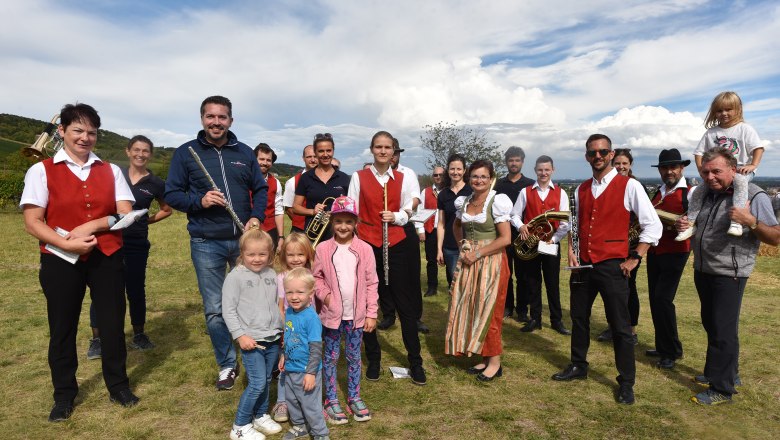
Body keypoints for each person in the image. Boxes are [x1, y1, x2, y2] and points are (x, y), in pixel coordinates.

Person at [20, 103, 139, 421]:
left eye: (92, 132)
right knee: (62, 329)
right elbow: (33, 221)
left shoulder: (111, 170)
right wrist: (65, 242)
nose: (85, 137)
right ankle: (63, 396)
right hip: (60, 260)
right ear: (62, 131)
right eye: (78, 130)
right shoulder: (41, 171)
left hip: (107, 257)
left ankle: (118, 386)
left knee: (113, 326)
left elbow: (126, 215)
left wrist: (94, 225)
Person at [164, 95, 268, 390]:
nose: (216, 122)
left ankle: (257, 356)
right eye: (211, 116)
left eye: (222, 117)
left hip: (242, 240)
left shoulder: (245, 152)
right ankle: (227, 364)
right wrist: (200, 200)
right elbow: (172, 194)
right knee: (214, 307)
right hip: (205, 241)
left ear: (230, 121)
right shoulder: (186, 153)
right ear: (202, 119)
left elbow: (259, 189)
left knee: (251, 301)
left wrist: (256, 218)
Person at [552, 134, 661, 405]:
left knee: (621, 326)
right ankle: (578, 365)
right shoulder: (580, 189)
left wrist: (636, 257)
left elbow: (653, 225)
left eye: (602, 151)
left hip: (613, 265)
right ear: (587, 156)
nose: (597, 156)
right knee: (579, 318)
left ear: (611, 154)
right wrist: (571, 250)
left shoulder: (630, 186)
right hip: (583, 266)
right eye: (592, 153)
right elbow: (575, 226)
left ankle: (626, 382)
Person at [676, 147, 780, 405]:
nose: (710, 177)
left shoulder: (754, 196)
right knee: (713, 324)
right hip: (704, 268)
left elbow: (775, 237)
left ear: (734, 170)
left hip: (730, 272)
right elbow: (699, 224)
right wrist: (685, 224)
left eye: (716, 171)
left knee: (722, 329)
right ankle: (723, 372)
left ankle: (722, 389)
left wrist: (750, 220)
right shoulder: (706, 195)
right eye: (705, 172)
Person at [348, 131, 427, 385]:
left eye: (388, 147)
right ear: (372, 149)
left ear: (394, 151)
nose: (383, 151)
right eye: (378, 147)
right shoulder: (358, 177)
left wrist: (397, 216)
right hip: (369, 243)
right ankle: (373, 359)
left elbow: (412, 204)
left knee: (405, 305)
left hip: (398, 242)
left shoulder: (406, 176)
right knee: (369, 302)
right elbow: (352, 209)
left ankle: (416, 361)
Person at [85, 136, 172, 358]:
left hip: (136, 243)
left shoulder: (156, 183)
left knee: (135, 289)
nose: (140, 154)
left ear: (150, 154)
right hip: (108, 239)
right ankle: (97, 340)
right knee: (102, 289)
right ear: (128, 151)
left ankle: (139, 335)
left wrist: (145, 220)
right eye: (136, 150)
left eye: (145, 151)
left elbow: (166, 209)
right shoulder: (114, 174)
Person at [312, 196, 378, 424]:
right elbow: (316, 277)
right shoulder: (322, 249)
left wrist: (371, 313)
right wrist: (326, 297)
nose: (343, 226)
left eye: (348, 222)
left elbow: (372, 283)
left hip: (356, 317)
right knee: (330, 358)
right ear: (331, 221)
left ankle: (354, 396)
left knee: (353, 357)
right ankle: (330, 399)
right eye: (338, 221)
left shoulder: (365, 250)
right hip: (331, 317)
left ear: (356, 223)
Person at [445, 160, 512, 382]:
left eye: (483, 176)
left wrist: (478, 253)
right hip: (470, 261)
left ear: (491, 178)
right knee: (474, 309)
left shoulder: (497, 201)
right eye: (475, 176)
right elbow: (456, 226)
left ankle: (495, 363)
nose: (478, 180)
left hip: (492, 261)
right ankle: (484, 356)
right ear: (468, 177)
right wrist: (463, 245)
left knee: (490, 311)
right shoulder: (464, 201)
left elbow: (505, 239)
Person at [223, 228, 284, 440]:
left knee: (267, 379)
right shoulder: (235, 277)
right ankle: (239, 426)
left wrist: (282, 329)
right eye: (251, 254)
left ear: (270, 254)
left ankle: (260, 415)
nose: (256, 259)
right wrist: (240, 336)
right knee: (257, 383)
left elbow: (278, 304)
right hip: (251, 340)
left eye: (262, 254)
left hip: (273, 338)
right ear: (242, 253)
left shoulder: (272, 275)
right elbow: (228, 310)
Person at [678, 91, 764, 241]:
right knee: (699, 190)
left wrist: (753, 164)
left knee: (740, 182)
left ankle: (736, 222)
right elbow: (698, 153)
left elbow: (758, 148)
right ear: (714, 112)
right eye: (719, 110)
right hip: (717, 173)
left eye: (728, 109)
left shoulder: (745, 129)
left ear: (738, 109)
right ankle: (691, 223)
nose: (724, 113)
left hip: (741, 169)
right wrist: (701, 170)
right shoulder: (712, 133)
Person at [509, 155, 571, 335]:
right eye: (540, 170)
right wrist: (521, 226)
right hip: (530, 245)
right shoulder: (525, 191)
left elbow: (566, 222)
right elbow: (514, 215)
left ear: (552, 170)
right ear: (535, 171)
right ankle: (535, 319)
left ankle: (556, 320)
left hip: (550, 243)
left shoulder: (561, 192)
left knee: (552, 283)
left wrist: (554, 239)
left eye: (547, 170)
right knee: (532, 282)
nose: (543, 173)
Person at [644, 149, 692, 370]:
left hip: (676, 251)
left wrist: (688, 224)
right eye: (665, 168)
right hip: (655, 251)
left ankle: (672, 351)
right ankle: (663, 346)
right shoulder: (658, 192)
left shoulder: (690, 193)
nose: (669, 171)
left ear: (681, 168)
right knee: (655, 300)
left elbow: (697, 221)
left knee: (663, 299)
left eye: (673, 167)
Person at [595, 149, 641, 345]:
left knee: (628, 287)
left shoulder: (633, 185)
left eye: (625, 164)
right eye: (618, 164)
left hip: (630, 247)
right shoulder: (607, 186)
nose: (621, 167)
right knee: (611, 290)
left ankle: (630, 329)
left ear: (630, 165)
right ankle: (614, 326)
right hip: (611, 247)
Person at [279, 268, 330, 440]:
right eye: (289, 292)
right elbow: (289, 337)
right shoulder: (289, 313)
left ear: (311, 293)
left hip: (307, 371)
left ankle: (320, 433)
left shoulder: (311, 318)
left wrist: (310, 373)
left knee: (310, 405)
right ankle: (300, 426)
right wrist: (284, 356)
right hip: (291, 368)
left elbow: (316, 348)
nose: (294, 296)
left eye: (300, 292)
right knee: (292, 401)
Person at [270, 232, 315, 423]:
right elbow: (281, 307)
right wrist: (284, 332)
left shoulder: (311, 275)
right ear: (283, 256)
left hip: (307, 330)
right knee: (285, 366)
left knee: (306, 365)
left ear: (308, 255)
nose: (296, 259)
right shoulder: (281, 277)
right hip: (289, 330)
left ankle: (306, 400)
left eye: (300, 254)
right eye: (291, 255)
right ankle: (282, 402)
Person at [390, 140, 429, 334]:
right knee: (384, 276)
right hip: (381, 229)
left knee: (412, 275)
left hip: (404, 226)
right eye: (389, 151)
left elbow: (415, 200)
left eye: (395, 152)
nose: (392, 156)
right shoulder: (372, 174)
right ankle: (388, 314)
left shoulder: (408, 174)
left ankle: (415, 317)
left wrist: (401, 214)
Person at [494, 146, 535, 321]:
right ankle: (507, 306)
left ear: (522, 162)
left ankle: (522, 310)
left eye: (517, 160)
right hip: (503, 235)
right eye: (511, 160)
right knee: (506, 273)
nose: (514, 163)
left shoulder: (529, 184)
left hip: (523, 235)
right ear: (506, 162)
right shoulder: (498, 184)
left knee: (523, 274)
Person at [293, 133, 351, 244]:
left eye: (329, 150)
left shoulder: (344, 178)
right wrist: (312, 211)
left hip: (338, 233)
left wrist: (338, 211)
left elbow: (351, 207)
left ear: (333, 151)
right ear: (315, 152)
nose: (325, 154)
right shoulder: (306, 177)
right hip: (313, 235)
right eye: (321, 151)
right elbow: (295, 207)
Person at [436, 154, 472, 286]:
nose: (455, 172)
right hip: (450, 246)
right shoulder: (443, 194)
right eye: (452, 169)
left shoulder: (472, 191)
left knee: (469, 283)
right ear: (448, 170)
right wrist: (439, 249)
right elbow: (441, 224)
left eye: (459, 169)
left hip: (470, 245)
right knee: (454, 282)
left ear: (464, 170)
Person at [419, 166, 445, 297]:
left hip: (447, 230)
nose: (438, 177)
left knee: (451, 258)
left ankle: (453, 285)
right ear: (432, 177)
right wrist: (420, 230)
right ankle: (432, 286)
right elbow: (420, 211)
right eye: (436, 175)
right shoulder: (426, 192)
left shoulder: (450, 191)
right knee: (431, 260)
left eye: (441, 174)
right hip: (431, 229)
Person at [254, 143, 285, 250]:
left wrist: (281, 236)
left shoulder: (276, 182)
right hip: (247, 230)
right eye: (261, 159)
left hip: (269, 230)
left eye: (268, 160)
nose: (265, 163)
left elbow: (279, 210)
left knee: (268, 264)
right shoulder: (244, 179)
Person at [284, 145, 318, 234]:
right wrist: (299, 223)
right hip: (300, 230)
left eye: (315, 156)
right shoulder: (292, 182)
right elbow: (288, 209)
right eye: (309, 157)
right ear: (303, 158)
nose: (313, 160)